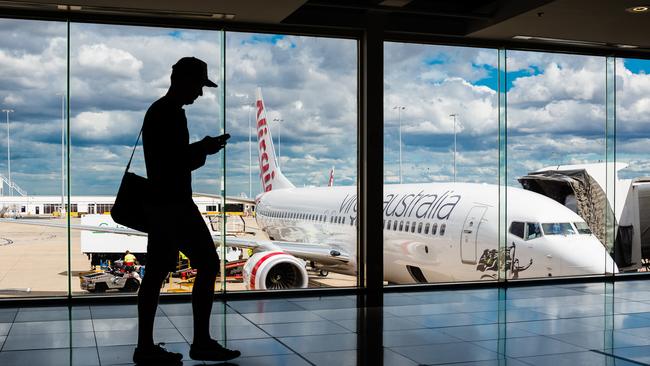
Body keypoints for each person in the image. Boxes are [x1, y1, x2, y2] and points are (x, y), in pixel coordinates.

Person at [132, 57, 240, 364]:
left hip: (164, 203)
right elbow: (174, 162)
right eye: (199, 85)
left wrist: (198, 150)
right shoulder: (169, 114)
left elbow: (167, 160)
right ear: (182, 80)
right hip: (174, 204)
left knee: (155, 274)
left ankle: (146, 346)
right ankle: (200, 342)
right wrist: (202, 149)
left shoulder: (159, 111)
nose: (200, 93)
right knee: (208, 263)